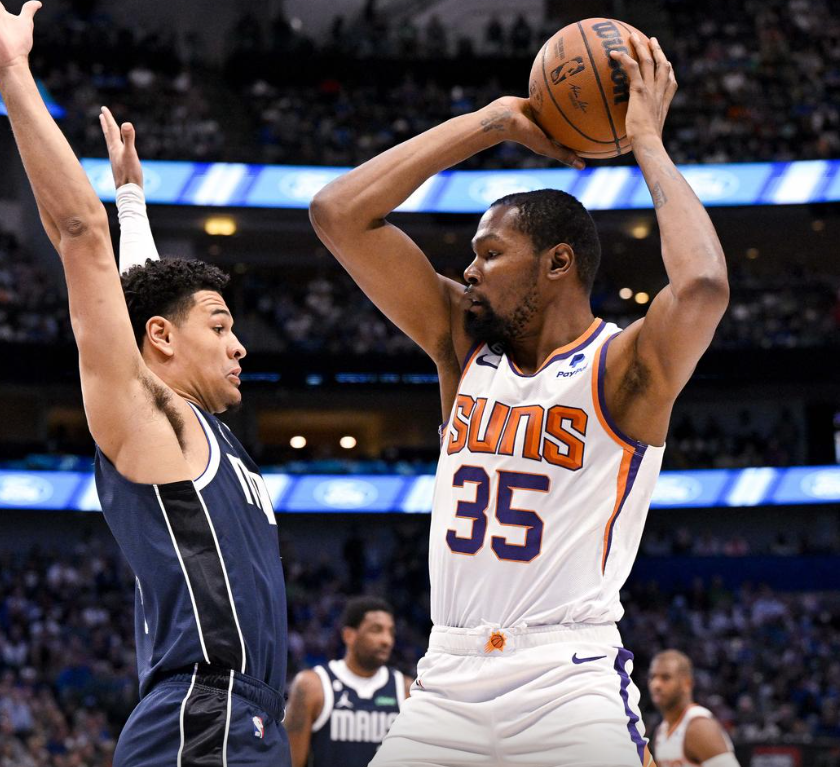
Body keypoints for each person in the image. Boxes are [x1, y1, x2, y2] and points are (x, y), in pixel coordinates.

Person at [310, 33, 726, 766]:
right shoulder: (462, 342)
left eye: (490, 253)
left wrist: (647, 143)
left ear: (558, 263)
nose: (469, 271)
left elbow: (701, 288)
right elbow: (338, 212)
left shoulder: (621, 366)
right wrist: (494, 122)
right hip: (446, 679)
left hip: (567, 679)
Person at [0, 1, 289, 764]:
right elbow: (83, 239)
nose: (240, 345)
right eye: (222, 324)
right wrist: (13, 70)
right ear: (165, 340)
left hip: (245, 719)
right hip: (201, 718)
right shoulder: (153, 424)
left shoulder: (202, 428)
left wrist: (132, 198)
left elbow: (141, 293)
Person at [284, 597, 412, 767]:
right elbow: (290, 762)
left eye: (391, 632)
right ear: (349, 635)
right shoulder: (312, 686)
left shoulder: (406, 690)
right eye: (376, 630)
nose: (386, 640)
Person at [648, 650, 740, 767]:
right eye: (652, 677)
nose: (656, 684)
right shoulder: (661, 731)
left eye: (665, 677)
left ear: (687, 684)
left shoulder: (699, 726)